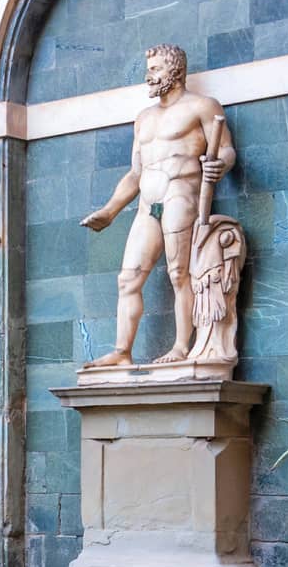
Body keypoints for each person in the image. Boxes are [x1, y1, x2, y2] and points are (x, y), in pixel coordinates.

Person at [81, 44, 235, 368]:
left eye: (155, 69)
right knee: (127, 279)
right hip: (147, 201)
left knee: (180, 273)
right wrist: (110, 211)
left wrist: (219, 165)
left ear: (175, 70)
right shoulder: (144, 119)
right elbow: (135, 173)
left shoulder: (202, 107)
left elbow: (225, 149)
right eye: (149, 68)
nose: (148, 75)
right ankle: (122, 352)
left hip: (181, 193)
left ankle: (181, 347)